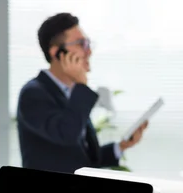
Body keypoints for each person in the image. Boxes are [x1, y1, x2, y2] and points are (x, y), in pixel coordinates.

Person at [16, 13, 147, 173]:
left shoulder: (71, 93)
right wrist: (81, 85)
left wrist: (121, 146)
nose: (89, 51)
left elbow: (82, 159)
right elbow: (67, 135)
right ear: (57, 53)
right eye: (81, 44)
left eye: (88, 43)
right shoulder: (34, 94)